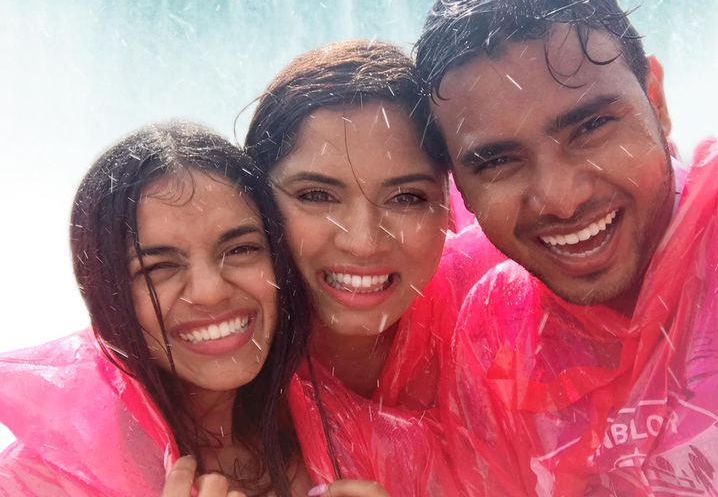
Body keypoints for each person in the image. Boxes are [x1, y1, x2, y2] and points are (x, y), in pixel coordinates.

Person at [415, 0, 718, 495]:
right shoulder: (494, 337)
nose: (560, 199)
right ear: (459, 191)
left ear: (656, 101)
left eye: (592, 125)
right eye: (496, 162)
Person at [244, 40, 504, 496]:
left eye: (406, 198)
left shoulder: (504, 316)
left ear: (448, 206)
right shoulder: (208, 355)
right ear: (255, 202)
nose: (363, 243)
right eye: (317, 196)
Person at [0, 121, 312, 496]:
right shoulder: (33, 484)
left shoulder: (333, 433)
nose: (210, 292)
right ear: (107, 297)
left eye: (241, 249)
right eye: (158, 268)